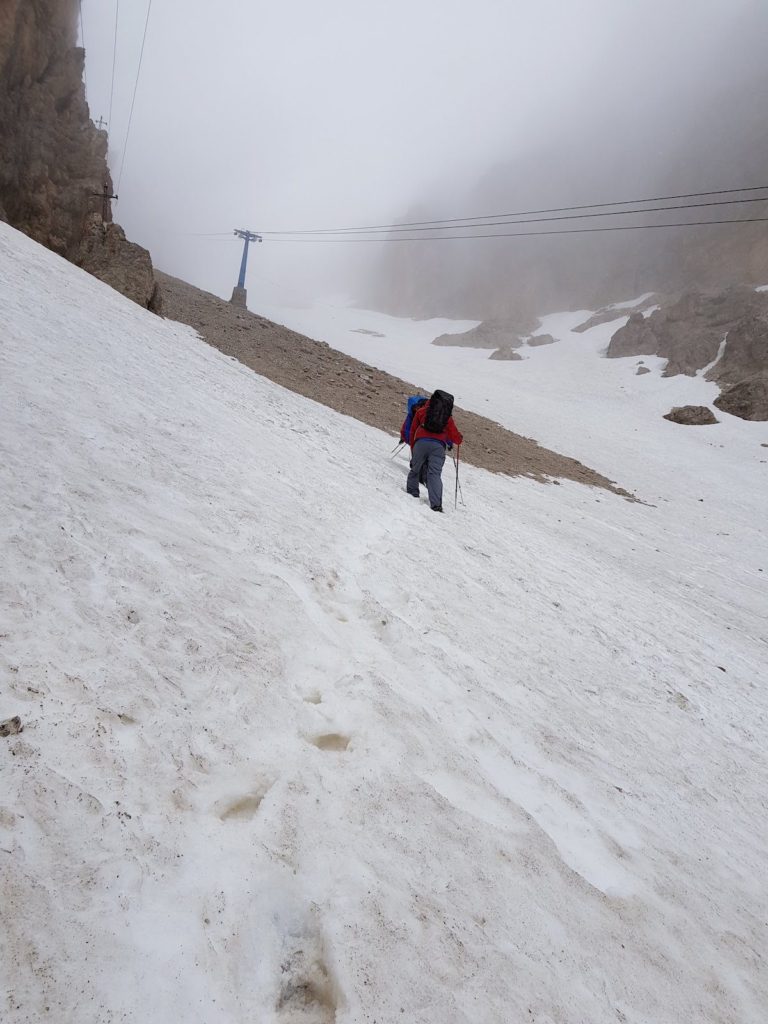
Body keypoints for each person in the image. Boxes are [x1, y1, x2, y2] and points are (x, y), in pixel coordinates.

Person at [407, 390, 463, 512]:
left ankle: (412, 493)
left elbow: (412, 431)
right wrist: (459, 439)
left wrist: (413, 448)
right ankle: (436, 504)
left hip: (420, 442)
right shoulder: (446, 417)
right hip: (438, 447)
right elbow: (455, 437)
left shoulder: (422, 411)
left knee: (415, 469)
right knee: (434, 474)